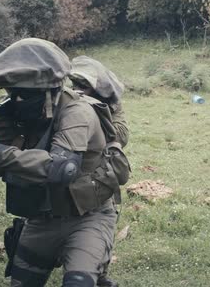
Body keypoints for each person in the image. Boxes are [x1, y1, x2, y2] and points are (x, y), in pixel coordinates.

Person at [0, 38, 119, 287]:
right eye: (11, 93)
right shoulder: (17, 114)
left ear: (48, 91)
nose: (16, 100)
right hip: (41, 220)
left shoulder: (77, 112)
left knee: (78, 283)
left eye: (23, 95)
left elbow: (63, 168)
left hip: (88, 217)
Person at [69, 56, 129, 287]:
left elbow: (121, 135)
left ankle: (99, 272)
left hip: (98, 174)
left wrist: (95, 113)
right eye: (75, 84)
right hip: (66, 167)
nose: (77, 90)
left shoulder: (111, 105)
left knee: (100, 226)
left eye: (83, 86)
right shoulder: (67, 102)